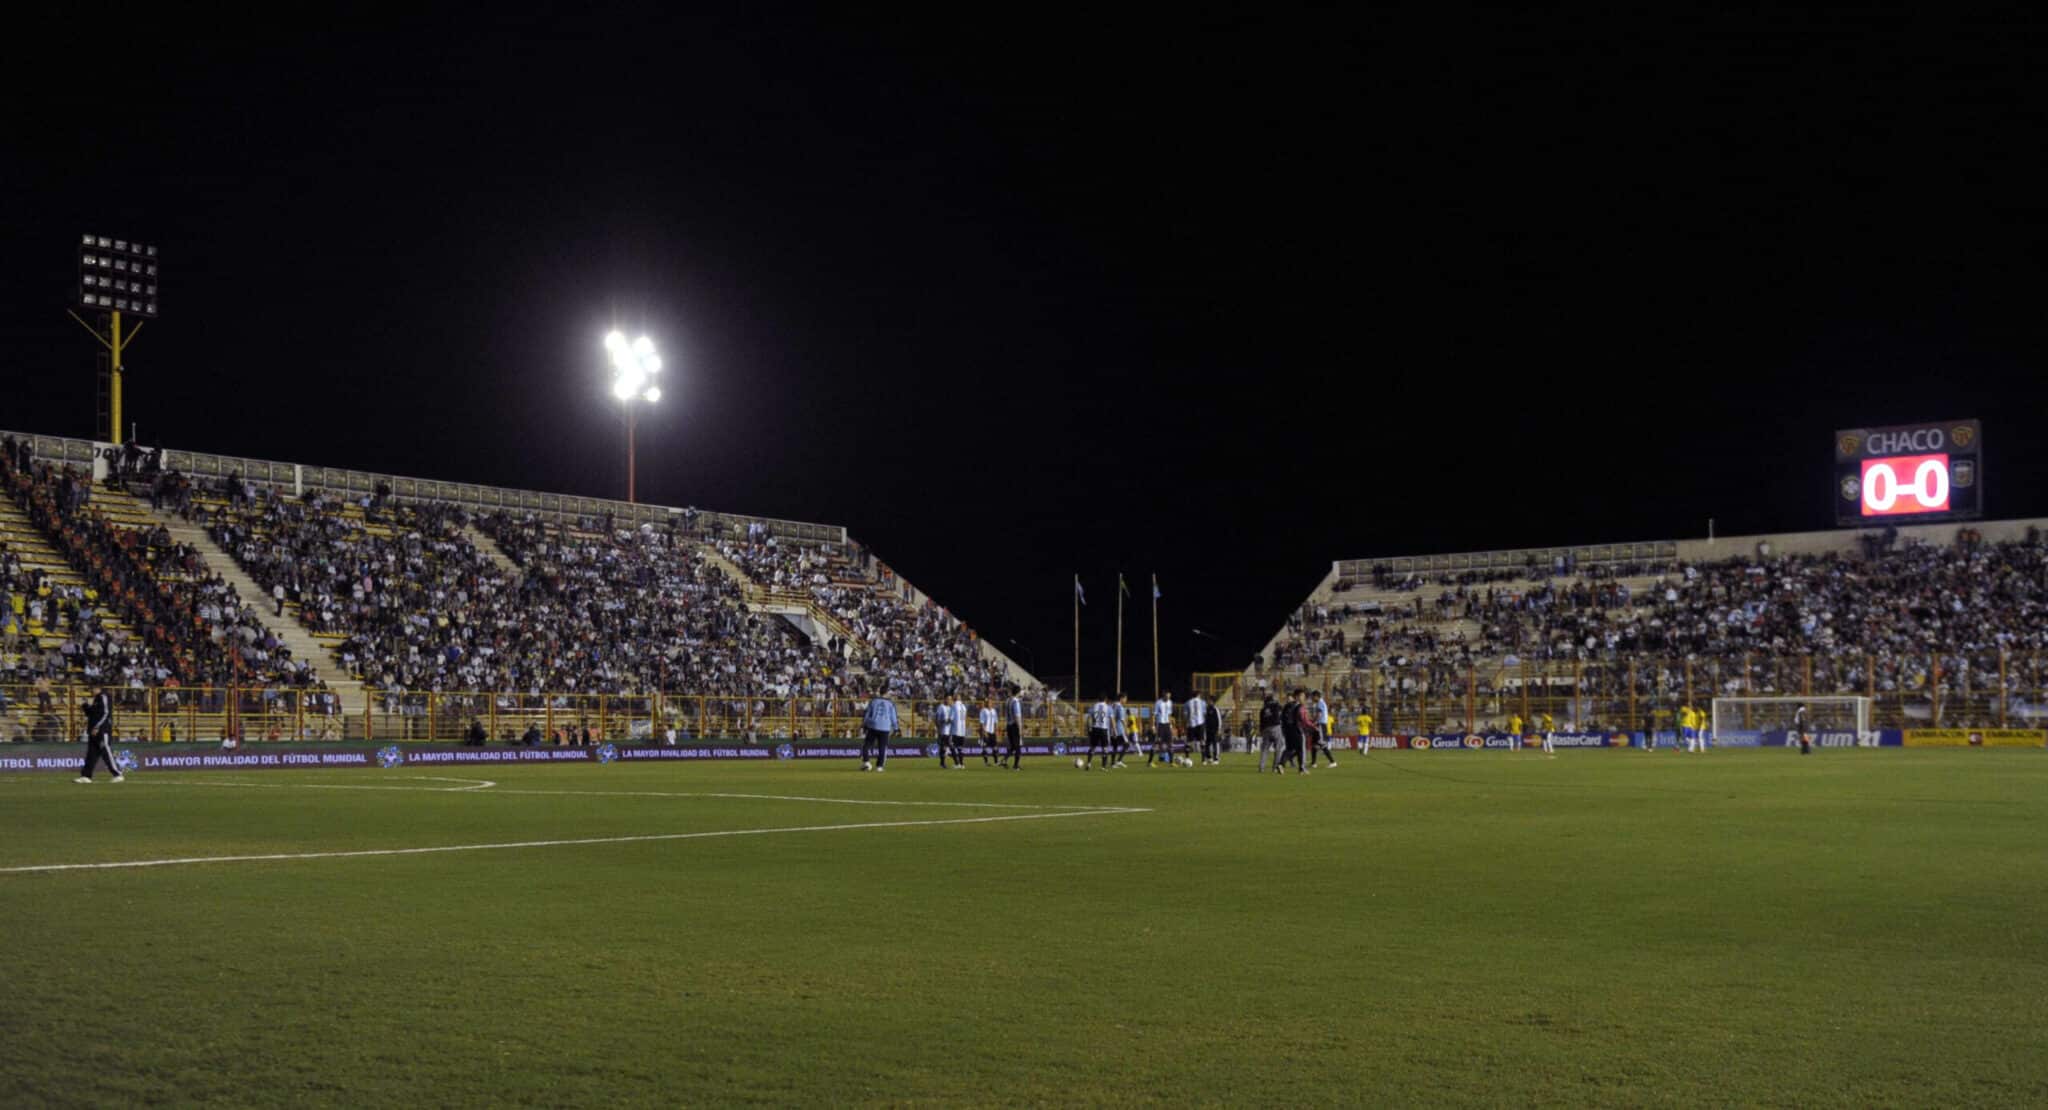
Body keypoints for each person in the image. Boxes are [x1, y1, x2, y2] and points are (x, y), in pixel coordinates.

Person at [75, 685, 122, 783]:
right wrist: (84, 705)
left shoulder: (103, 696)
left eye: (91, 689)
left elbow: (106, 712)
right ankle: (86, 776)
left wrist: (97, 727)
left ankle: (117, 774)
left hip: (102, 730)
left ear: (97, 688)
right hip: (93, 731)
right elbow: (91, 714)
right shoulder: (97, 699)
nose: (91, 691)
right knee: (91, 754)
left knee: (106, 751)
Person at [860, 688, 897, 772]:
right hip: (885, 727)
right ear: (886, 693)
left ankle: (866, 762)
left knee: (867, 745)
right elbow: (893, 717)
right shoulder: (890, 703)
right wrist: (896, 728)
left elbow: (867, 714)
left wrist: (865, 724)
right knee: (882, 747)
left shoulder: (873, 701)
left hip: (873, 726)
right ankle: (879, 767)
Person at [1278, 689, 1305, 774]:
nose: (1303, 697)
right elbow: (1302, 719)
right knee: (1300, 749)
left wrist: (1284, 730)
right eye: (1302, 696)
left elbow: (1282, 719)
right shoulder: (1299, 706)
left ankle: (1281, 764)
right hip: (1296, 730)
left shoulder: (1286, 707)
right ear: (1296, 696)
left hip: (1287, 730)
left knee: (1289, 749)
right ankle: (1301, 769)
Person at [1309, 690, 1337, 767]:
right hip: (1318, 724)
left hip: (1320, 725)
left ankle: (1333, 762)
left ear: (1316, 696)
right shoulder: (1319, 703)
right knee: (1314, 744)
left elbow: (1319, 714)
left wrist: (1313, 721)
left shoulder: (1320, 703)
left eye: (1312, 696)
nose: (1312, 698)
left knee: (1322, 743)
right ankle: (1313, 763)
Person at [1084, 695, 1112, 770]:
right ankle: (1103, 767)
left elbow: (1089, 719)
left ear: (1098, 699)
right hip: (1103, 729)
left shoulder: (1093, 706)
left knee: (1092, 747)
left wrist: (1089, 728)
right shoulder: (1108, 707)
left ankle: (1089, 764)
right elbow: (1112, 720)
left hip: (1095, 729)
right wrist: (1114, 730)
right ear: (1105, 699)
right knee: (1105, 749)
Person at [1258, 694, 1284, 772]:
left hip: (1265, 729)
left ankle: (1261, 767)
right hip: (1275, 727)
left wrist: (1261, 731)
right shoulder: (1276, 705)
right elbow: (1281, 709)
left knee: (1265, 749)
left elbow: (1261, 723)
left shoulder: (1262, 710)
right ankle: (1275, 767)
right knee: (1278, 748)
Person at [1150, 690, 1175, 766]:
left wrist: (1171, 726)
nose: (1168, 698)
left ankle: (1171, 762)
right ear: (1163, 695)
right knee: (1157, 744)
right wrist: (1153, 726)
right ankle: (1150, 762)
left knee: (1170, 744)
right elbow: (1154, 715)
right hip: (1160, 725)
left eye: (1169, 696)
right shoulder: (1158, 703)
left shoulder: (1170, 702)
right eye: (1167, 696)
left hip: (1167, 725)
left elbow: (1169, 715)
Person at [1002, 685, 1024, 769]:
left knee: (1012, 746)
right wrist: (1020, 728)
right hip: (1014, 725)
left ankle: (1004, 760)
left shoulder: (1008, 700)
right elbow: (1017, 716)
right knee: (1017, 746)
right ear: (1018, 692)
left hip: (1008, 725)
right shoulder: (1016, 701)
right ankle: (1016, 765)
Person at [1185, 692, 1207, 766]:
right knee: (1202, 741)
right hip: (1200, 724)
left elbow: (1185, 714)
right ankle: (1203, 760)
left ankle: (1187, 758)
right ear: (1198, 695)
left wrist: (1188, 722)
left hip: (1191, 724)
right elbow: (1204, 713)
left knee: (1188, 742)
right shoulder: (1203, 702)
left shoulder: (1187, 703)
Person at [978, 700, 999, 766]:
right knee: (985, 748)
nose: (988, 703)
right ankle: (986, 762)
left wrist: (996, 731)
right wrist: (984, 732)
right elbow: (982, 722)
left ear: (992, 703)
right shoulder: (983, 711)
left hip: (992, 731)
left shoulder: (994, 711)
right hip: (986, 731)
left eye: (990, 702)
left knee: (995, 747)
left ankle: (996, 762)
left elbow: (996, 722)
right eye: (987, 702)